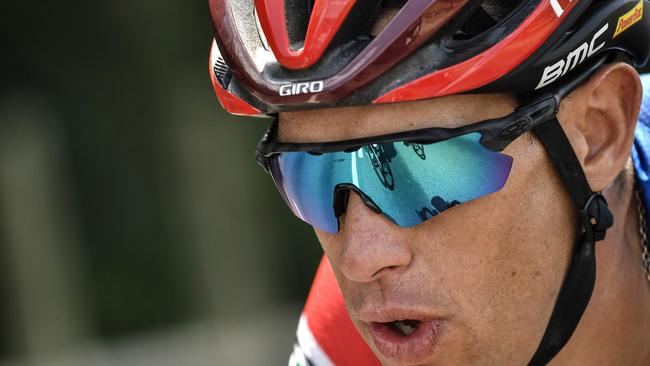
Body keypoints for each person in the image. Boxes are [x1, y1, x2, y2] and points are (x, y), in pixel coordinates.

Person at [208, 0, 650, 364]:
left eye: (422, 168)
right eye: (310, 174)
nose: (361, 259)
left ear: (597, 133)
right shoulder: (354, 338)